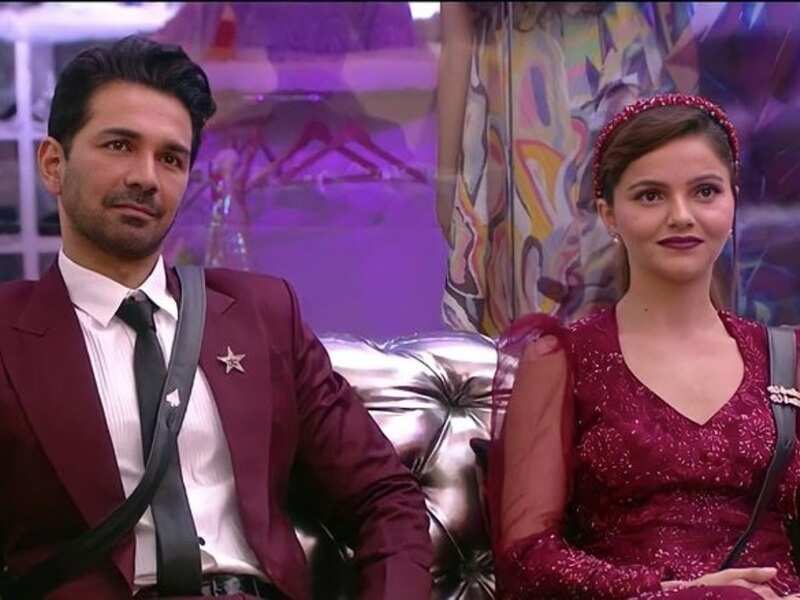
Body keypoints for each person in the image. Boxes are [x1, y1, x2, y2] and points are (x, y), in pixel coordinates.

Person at [0, 36, 432, 599]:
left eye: (171, 158)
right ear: (53, 164)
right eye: (119, 145)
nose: (146, 177)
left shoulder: (262, 314)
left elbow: (384, 499)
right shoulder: (9, 334)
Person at [488, 94, 800, 599]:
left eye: (705, 191)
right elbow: (528, 556)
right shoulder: (561, 359)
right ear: (609, 215)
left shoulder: (785, 359)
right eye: (651, 196)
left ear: (733, 201)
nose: (681, 215)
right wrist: (677, 590)